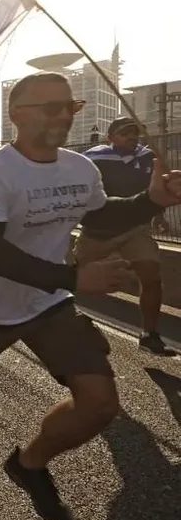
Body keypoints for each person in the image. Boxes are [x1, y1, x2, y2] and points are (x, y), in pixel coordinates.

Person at [0, 71, 181, 520]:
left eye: (70, 106)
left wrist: (150, 201)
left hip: (49, 304)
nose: (63, 116)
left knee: (101, 404)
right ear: (15, 115)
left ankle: (29, 464)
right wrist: (73, 275)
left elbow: (102, 212)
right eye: (51, 107)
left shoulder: (78, 168)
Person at [76, 116, 171, 355]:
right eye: (125, 133)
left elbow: (155, 190)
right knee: (73, 277)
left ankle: (149, 334)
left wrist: (159, 215)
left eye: (135, 132)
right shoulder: (94, 158)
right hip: (99, 231)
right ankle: (63, 317)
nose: (132, 137)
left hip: (135, 229)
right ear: (111, 138)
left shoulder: (148, 156)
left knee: (151, 276)